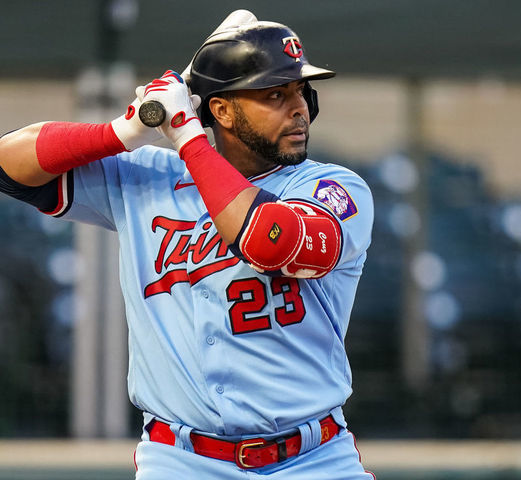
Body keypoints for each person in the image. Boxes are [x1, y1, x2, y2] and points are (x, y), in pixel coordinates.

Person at [0, 9, 374, 480]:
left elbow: (269, 241)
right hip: (181, 460)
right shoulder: (149, 177)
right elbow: (9, 165)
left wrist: (189, 139)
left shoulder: (332, 187)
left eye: (300, 91)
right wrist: (119, 133)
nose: (298, 107)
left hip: (313, 459)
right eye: (275, 94)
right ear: (221, 109)